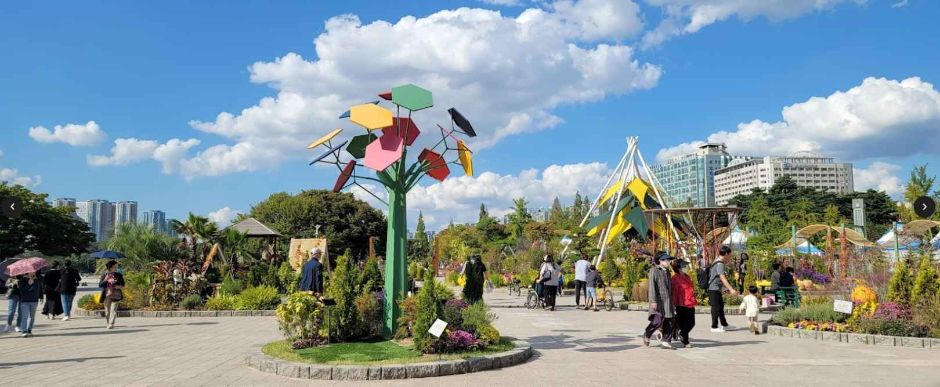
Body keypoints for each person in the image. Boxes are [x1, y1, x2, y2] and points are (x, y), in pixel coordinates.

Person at [644, 252, 675, 349]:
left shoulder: (668, 272)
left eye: (668, 260)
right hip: (658, 300)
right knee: (657, 320)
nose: (668, 262)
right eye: (666, 260)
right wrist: (653, 301)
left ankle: (666, 341)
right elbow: (652, 287)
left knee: (669, 320)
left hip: (668, 300)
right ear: (660, 261)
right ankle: (647, 334)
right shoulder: (654, 271)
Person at [708, 246, 738, 333]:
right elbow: (722, 277)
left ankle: (724, 325)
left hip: (716, 288)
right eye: (729, 255)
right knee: (715, 307)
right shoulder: (720, 263)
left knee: (720, 307)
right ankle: (714, 327)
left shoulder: (717, 260)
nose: (730, 257)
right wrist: (731, 289)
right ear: (726, 254)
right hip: (713, 288)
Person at [671, 259, 697, 347]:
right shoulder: (675, 278)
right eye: (684, 266)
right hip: (681, 303)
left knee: (691, 323)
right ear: (679, 268)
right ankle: (685, 341)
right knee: (683, 323)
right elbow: (674, 292)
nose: (686, 267)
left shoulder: (687, 276)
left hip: (690, 302)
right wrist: (673, 304)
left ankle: (680, 332)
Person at [99, 260, 125, 329]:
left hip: (115, 295)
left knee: (113, 310)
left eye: (116, 267)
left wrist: (118, 286)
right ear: (110, 268)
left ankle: (111, 323)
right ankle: (108, 322)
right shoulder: (104, 275)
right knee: (107, 311)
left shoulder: (118, 275)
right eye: (114, 267)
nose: (116, 268)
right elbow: (100, 285)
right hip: (106, 295)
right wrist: (106, 279)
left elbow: (123, 284)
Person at [17, 271, 43, 337]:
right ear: (28, 272)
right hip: (25, 300)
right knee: (25, 316)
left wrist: (41, 296)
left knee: (32, 317)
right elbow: (21, 290)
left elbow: (39, 288)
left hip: (34, 300)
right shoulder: (23, 279)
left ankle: (29, 330)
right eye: (32, 271)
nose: (34, 272)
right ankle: (24, 331)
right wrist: (29, 284)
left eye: (34, 271)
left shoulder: (37, 279)